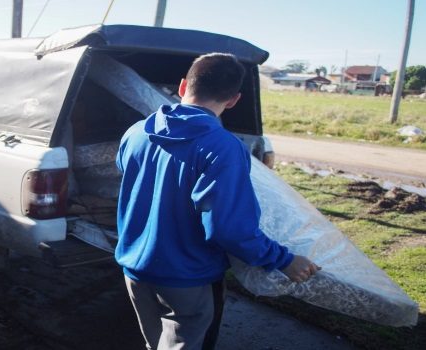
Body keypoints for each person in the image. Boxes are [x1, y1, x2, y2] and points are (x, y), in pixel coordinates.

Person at [115, 53, 320, 350]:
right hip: (186, 277)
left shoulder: (137, 131)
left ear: (183, 86)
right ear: (234, 100)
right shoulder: (223, 147)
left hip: (134, 268)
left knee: (154, 343)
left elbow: (131, 178)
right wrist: (284, 260)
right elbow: (228, 228)